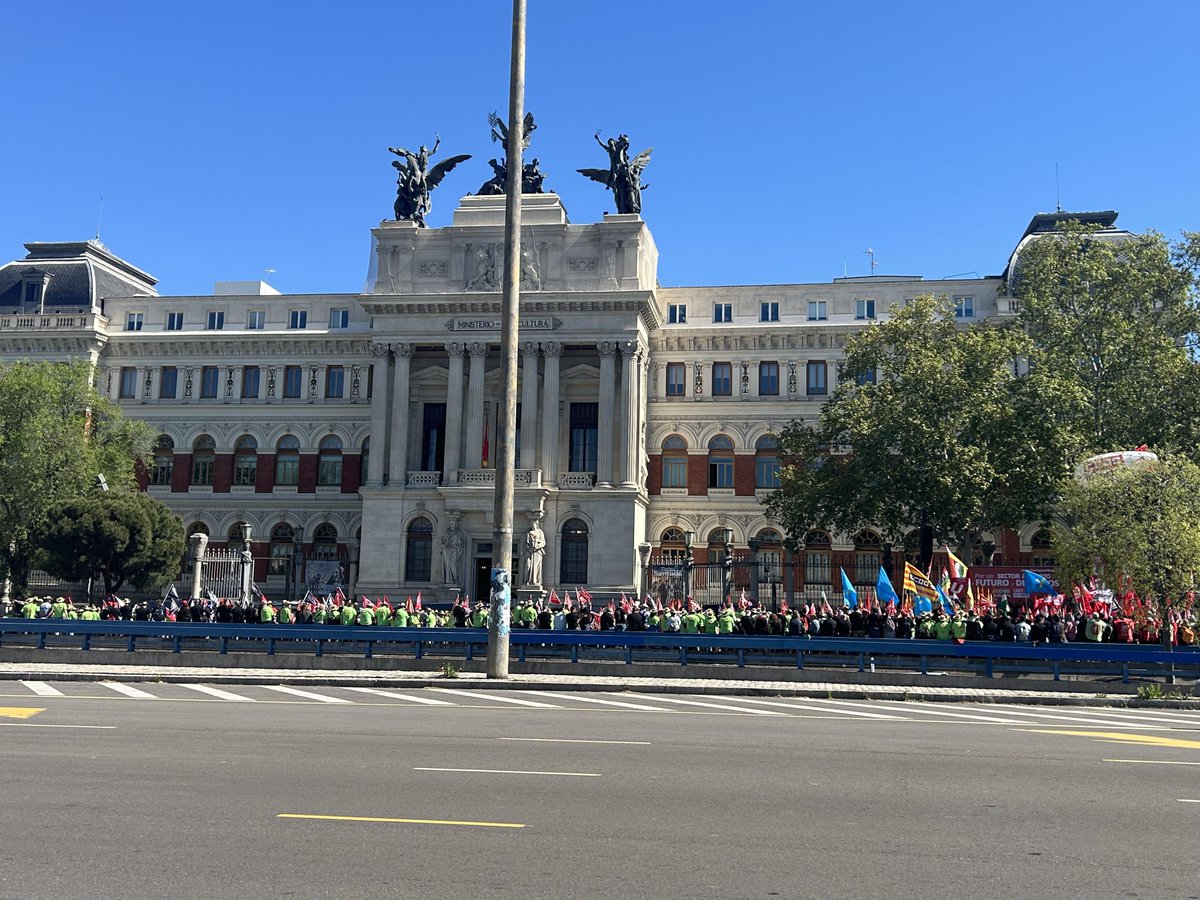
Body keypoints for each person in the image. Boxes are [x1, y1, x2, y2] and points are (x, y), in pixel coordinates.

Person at [523, 520, 545, 586]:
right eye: (532, 523)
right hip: (530, 551)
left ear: (537, 524)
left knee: (536, 566)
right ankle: (527, 580)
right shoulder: (529, 533)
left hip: (537, 552)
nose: (533, 525)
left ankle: (535, 581)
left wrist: (537, 545)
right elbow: (527, 543)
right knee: (528, 566)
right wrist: (529, 548)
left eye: (534, 523)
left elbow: (543, 542)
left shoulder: (540, 532)